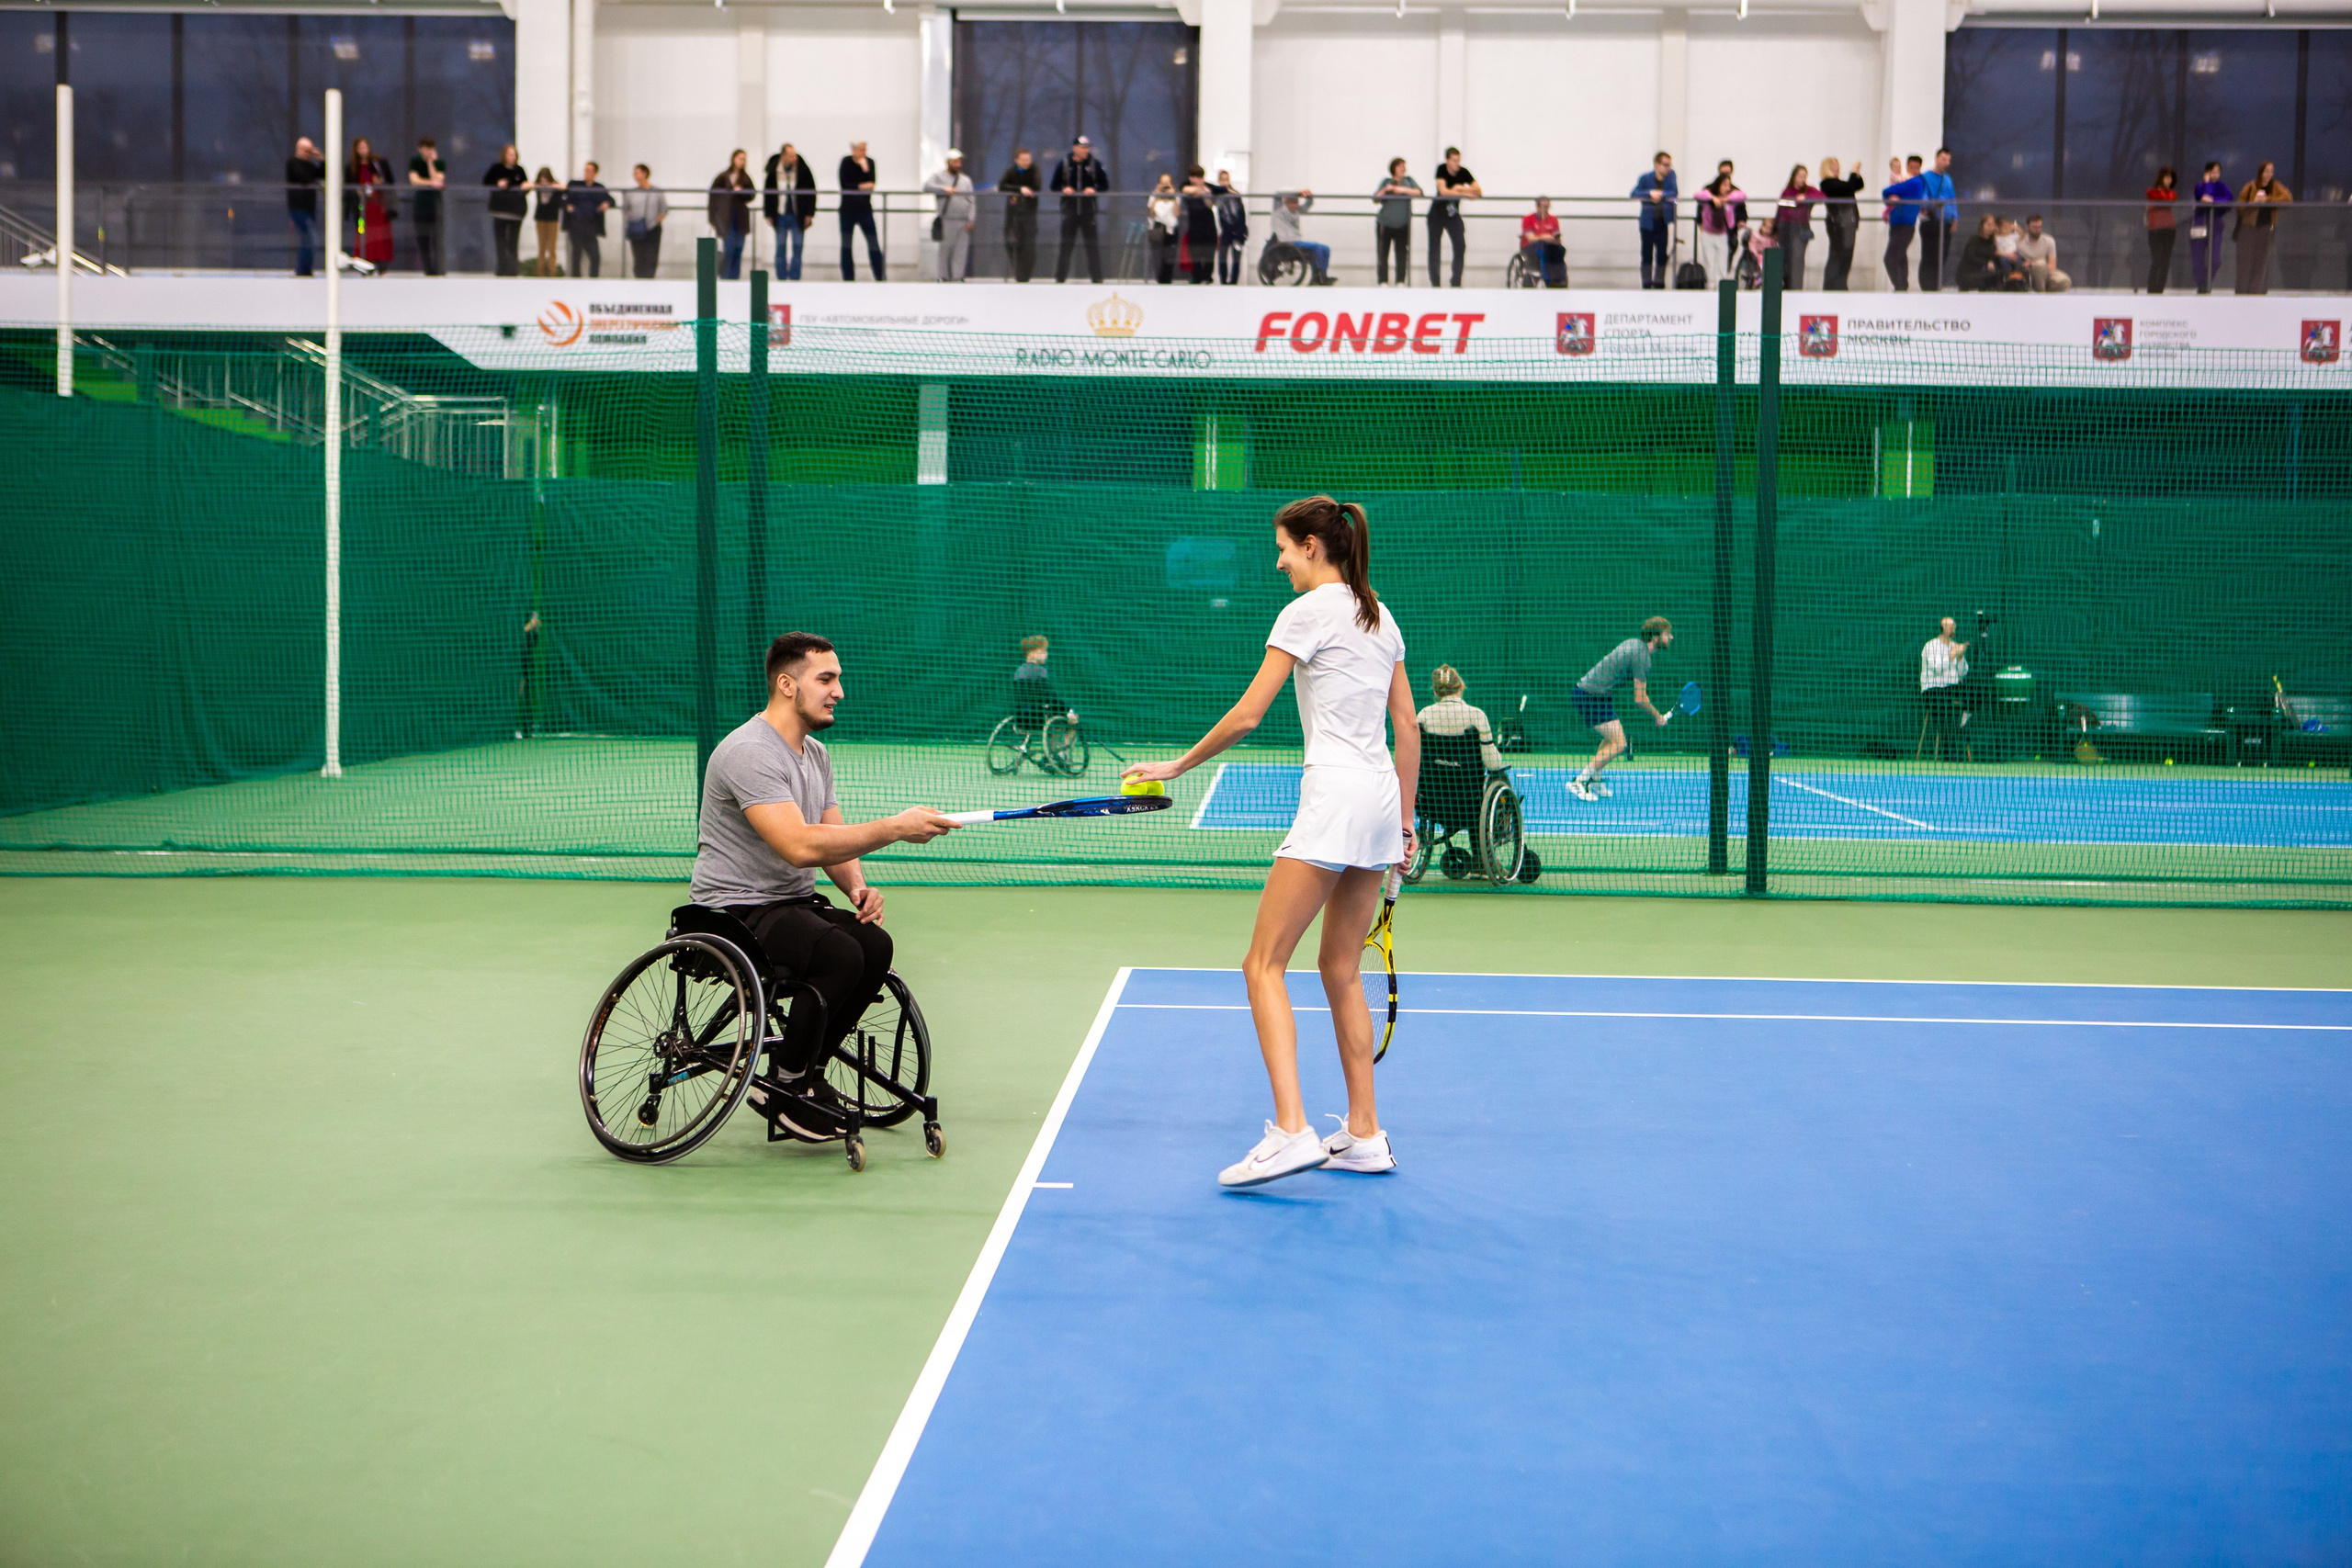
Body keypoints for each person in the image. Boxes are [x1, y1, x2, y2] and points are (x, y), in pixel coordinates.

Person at [1120, 497, 1415, 1190]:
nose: (1278, 560)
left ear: (1313, 545)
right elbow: (1408, 727)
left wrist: (1175, 766)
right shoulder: (1380, 613)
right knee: (1340, 968)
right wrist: (1403, 822)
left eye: (1283, 547)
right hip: (1377, 803)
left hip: (1336, 795)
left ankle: (1291, 1129)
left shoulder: (1307, 611)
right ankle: (1365, 1132)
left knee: (1262, 963)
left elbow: (1251, 713)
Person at [689, 631, 960, 1140]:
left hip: (789, 903)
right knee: (840, 956)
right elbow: (799, 846)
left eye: (838, 679)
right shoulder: (748, 751)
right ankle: (785, 1084)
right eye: (827, 679)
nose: (838, 691)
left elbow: (831, 839)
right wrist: (896, 828)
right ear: (787, 684)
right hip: (731, 912)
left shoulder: (814, 754)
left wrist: (857, 887)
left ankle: (803, 1069)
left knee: (874, 945)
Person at [1566, 617, 1672, 801]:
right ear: (1655, 637)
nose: (1670, 637)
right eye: (1666, 634)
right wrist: (1658, 717)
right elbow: (1640, 699)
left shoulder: (1635, 645)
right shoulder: (1642, 657)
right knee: (1620, 743)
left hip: (1597, 695)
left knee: (1611, 738)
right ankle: (1580, 781)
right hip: (1590, 695)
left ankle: (1595, 780)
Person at [1416, 665, 1503, 773]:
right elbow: (1493, 764)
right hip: (1470, 787)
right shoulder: (1477, 715)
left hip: (1430, 787)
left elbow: (1414, 759)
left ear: (1435, 691)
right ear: (1461, 686)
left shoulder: (1424, 715)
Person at [1051, 135, 1110, 284]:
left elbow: (1104, 186)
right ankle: (1060, 278)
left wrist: (1093, 189)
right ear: (1074, 148)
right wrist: (1064, 189)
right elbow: (1054, 186)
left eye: (1087, 148)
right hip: (1069, 211)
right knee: (1066, 245)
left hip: (1088, 211)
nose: (1085, 150)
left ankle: (1097, 279)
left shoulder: (1094, 164)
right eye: (1082, 147)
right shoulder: (1064, 164)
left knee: (1092, 246)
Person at [2234, 161, 2291, 295]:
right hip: (2248, 228)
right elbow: (2239, 207)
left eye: (2271, 171)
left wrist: (2268, 200)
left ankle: (2256, 292)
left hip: (2266, 228)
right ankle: (2242, 293)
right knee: (2245, 262)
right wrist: (2254, 202)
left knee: (2261, 262)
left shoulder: (2276, 187)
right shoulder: (2250, 186)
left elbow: (2288, 199)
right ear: (2260, 172)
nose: (2268, 174)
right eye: (2266, 171)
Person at [1917, 616, 1970, 761]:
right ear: (1941, 628)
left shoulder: (1954, 645)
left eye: (1954, 625)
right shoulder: (1931, 646)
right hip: (1933, 689)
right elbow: (1937, 668)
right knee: (1947, 708)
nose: (1952, 628)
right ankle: (1949, 752)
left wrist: (1960, 657)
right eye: (1948, 626)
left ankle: (1965, 719)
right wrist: (1953, 655)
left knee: (1973, 696)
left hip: (1951, 688)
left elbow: (1963, 672)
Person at [762, 143, 817, 282]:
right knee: (780, 247)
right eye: (791, 155)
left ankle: (794, 277)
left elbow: (811, 193)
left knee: (797, 247)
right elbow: (768, 193)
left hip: (798, 215)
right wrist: (768, 213)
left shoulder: (803, 170)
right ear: (783, 156)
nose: (794, 158)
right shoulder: (774, 171)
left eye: (794, 155)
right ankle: (781, 277)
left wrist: (809, 214)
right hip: (780, 215)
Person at [1428, 147, 1479, 287]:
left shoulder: (1463, 172)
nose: (1457, 164)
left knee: (1460, 245)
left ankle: (1456, 281)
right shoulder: (1441, 169)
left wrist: (1460, 188)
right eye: (1454, 161)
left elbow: (1478, 190)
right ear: (1447, 161)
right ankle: (1435, 283)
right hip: (1436, 214)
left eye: (1458, 160)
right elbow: (1443, 191)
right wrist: (1464, 192)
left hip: (1453, 215)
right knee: (1434, 248)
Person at [924, 149, 977, 282]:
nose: (958, 164)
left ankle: (957, 277)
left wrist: (971, 218)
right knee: (945, 249)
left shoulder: (965, 180)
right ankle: (943, 276)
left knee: (961, 251)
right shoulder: (938, 177)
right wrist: (943, 189)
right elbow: (926, 187)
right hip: (947, 219)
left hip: (963, 220)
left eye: (959, 161)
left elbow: (972, 200)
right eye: (955, 162)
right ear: (948, 163)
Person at [345, 137, 395, 270]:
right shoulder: (352, 168)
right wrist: (356, 192)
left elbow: (390, 182)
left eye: (365, 147)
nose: (363, 150)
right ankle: (363, 262)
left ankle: (382, 264)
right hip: (362, 208)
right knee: (363, 232)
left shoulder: (378, 163)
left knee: (380, 234)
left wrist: (380, 183)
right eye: (360, 148)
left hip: (378, 206)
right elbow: (348, 188)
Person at [839, 141, 885, 281]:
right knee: (846, 244)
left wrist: (865, 169)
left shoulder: (869, 162)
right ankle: (848, 277)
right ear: (854, 150)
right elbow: (845, 184)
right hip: (847, 210)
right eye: (860, 150)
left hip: (865, 209)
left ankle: (880, 276)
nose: (863, 153)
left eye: (865, 149)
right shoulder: (846, 162)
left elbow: (871, 184)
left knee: (873, 243)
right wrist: (860, 186)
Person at [1632, 152, 1678, 289]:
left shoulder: (1671, 176)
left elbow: (1674, 192)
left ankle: (1659, 281)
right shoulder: (1646, 178)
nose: (1667, 168)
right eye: (1665, 165)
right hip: (1648, 222)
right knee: (1647, 253)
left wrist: (1661, 194)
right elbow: (1634, 193)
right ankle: (1646, 282)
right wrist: (1650, 193)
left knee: (1662, 254)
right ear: (1657, 165)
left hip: (1662, 221)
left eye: (1669, 165)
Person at [1882, 154, 1927, 292]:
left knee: (1890, 258)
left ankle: (1900, 286)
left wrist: (1894, 193)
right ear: (1907, 167)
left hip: (1905, 225)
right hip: (1896, 223)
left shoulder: (1916, 182)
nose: (1913, 170)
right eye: (1911, 167)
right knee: (1900, 257)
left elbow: (1887, 191)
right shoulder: (1907, 181)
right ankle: (1902, 286)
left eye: (1916, 168)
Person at [1817, 156, 1863, 290]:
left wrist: (1856, 174)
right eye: (1833, 166)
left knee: (1847, 256)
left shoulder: (1839, 183)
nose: (1836, 168)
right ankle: (1832, 286)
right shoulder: (1827, 184)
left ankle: (1841, 284)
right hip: (1838, 225)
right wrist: (1853, 172)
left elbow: (1858, 185)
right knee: (1838, 255)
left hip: (1848, 224)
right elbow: (1850, 186)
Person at [708, 149, 754, 280]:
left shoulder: (745, 178)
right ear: (733, 159)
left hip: (740, 219)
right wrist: (712, 219)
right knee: (728, 250)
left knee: (739, 249)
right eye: (740, 158)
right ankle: (726, 276)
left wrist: (741, 191)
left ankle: (735, 277)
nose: (742, 161)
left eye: (744, 159)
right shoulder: (722, 177)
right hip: (726, 219)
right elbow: (713, 198)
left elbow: (752, 194)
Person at [1775, 164, 1823, 288]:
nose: (1802, 179)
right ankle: (1784, 287)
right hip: (1785, 227)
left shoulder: (1808, 190)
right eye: (1800, 176)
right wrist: (1775, 229)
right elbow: (1780, 210)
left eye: (1804, 176)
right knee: (1785, 258)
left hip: (1800, 228)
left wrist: (1806, 198)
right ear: (1794, 177)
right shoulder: (1787, 191)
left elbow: (1822, 197)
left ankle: (1796, 289)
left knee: (1797, 258)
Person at [483, 144, 527, 276]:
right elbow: (486, 181)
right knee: (500, 241)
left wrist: (526, 186)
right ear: (504, 155)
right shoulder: (496, 168)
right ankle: (501, 270)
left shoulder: (519, 170)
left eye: (514, 154)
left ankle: (513, 271)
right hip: (500, 211)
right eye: (509, 154)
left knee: (513, 242)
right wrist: (498, 184)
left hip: (515, 212)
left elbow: (525, 185)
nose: (512, 157)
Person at [1374, 158, 1419, 287]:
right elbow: (1376, 198)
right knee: (1383, 254)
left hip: (1403, 224)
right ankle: (1383, 281)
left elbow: (1419, 192)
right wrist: (1386, 190)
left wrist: (1401, 190)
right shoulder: (1386, 181)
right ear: (1393, 168)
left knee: (1401, 254)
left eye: (1403, 166)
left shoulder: (1409, 181)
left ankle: (1400, 280)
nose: (1402, 169)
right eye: (1400, 166)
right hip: (1385, 223)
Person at [562, 162, 613, 278]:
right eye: (586, 170)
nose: (587, 173)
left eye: (590, 171)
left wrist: (606, 203)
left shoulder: (599, 188)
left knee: (595, 256)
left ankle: (593, 280)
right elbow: (563, 197)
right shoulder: (575, 185)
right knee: (576, 255)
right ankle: (576, 279)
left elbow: (611, 199)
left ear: (595, 173)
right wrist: (568, 205)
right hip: (576, 224)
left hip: (590, 225)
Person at [1270, 189, 1330, 284]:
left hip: (1296, 240)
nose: (1295, 205)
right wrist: (1296, 193)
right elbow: (1277, 195)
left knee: (1326, 248)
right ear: (1286, 203)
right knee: (1316, 247)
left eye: (1297, 203)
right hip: (1286, 241)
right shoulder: (1279, 210)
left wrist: (1309, 197)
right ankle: (1316, 276)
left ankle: (1322, 275)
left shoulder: (1297, 210)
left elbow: (1307, 205)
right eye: (1292, 203)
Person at [1917, 147, 1958, 291]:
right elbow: (1923, 197)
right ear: (1936, 159)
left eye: (1948, 160)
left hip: (1946, 224)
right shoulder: (1925, 177)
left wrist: (1955, 218)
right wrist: (1932, 205)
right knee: (1929, 256)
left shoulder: (1948, 179)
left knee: (1942, 257)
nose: (1946, 163)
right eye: (1943, 159)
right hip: (1931, 222)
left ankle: (1935, 286)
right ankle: (1926, 287)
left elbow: (1952, 199)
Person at [999, 148, 1041, 282]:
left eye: (1028, 159)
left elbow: (1037, 186)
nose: (1026, 162)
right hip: (1013, 215)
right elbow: (1002, 186)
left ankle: (1026, 276)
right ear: (1017, 160)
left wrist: (1027, 190)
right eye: (1023, 160)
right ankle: (1017, 274)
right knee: (1011, 243)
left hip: (1029, 214)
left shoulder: (1034, 170)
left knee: (1029, 246)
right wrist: (1019, 189)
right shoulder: (1010, 171)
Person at [406, 135, 447, 276]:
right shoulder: (415, 161)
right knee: (423, 239)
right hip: (421, 204)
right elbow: (414, 180)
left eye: (430, 148)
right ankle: (428, 269)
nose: (428, 151)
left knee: (437, 238)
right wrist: (431, 183)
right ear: (420, 149)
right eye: (425, 148)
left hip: (435, 205)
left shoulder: (439, 163)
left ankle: (439, 269)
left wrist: (431, 163)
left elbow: (438, 179)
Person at [1697, 170, 1745, 285]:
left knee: (1722, 263)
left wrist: (1726, 199)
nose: (1727, 188)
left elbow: (1742, 195)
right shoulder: (1707, 198)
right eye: (1724, 185)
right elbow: (1698, 194)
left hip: (1722, 234)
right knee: (1709, 262)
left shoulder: (1730, 199)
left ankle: (1721, 285)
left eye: (1728, 185)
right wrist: (1713, 198)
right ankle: (1710, 284)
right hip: (1708, 234)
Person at [286, 136, 325, 276]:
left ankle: (306, 269)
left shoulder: (310, 165)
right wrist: (317, 184)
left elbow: (323, 174)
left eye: (310, 151)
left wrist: (320, 159)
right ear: (299, 150)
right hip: (298, 207)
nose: (309, 154)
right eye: (307, 151)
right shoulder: (293, 163)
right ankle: (302, 270)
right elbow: (303, 178)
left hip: (309, 207)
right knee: (309, 237)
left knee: (307, 239)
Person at [2190, 161, 2230, 294]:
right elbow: (2202, 198)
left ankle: (2207, 282)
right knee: (2198, 258)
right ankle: (2201, 284)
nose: (2216, 174)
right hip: (2200, 224)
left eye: (2218, 172)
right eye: (2213, 171)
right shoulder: (2200, 186)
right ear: (2207, 173)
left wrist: (2214, 201)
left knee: (2216, 260)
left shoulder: (2222, 187)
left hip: (2215, 225)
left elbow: (2228, 201)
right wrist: (2207, 184)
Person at [622, 164, 667, 279]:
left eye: (637, 172)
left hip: (652, 228)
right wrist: (631, 220)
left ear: (645, 173)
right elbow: (626, 209)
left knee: (651, 256)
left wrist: (657, 221)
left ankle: (649, 278)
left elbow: (663, 209)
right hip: (636, 228)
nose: (635, 175)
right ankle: (639, 279)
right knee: (638, 256)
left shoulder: (656, 192)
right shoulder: (631, 193)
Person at [1955, 213, 2021, 291]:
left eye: (1992, 225)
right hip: (1968, 273)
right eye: (1988, 225)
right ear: (1982, 225)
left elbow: (1996, 254)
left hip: (1984, 272)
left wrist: (2007, 256)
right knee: (1994, 277)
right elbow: (1970, 257)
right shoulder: (1975, 239)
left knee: (2000, 275)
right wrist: (1986, 263)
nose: (1990, 227)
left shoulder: (1992, 241)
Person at [1011, 634, 1063, 728]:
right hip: (1039, 718)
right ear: (1032, 653)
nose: (1046, 654)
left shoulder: (1019, 671)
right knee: (1070, 717)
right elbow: (1048, 696)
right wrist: (1068, 711)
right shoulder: (1040, 671)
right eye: (1043, 651)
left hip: (1020, 718)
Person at [1182, 164, 1219, 284]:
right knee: (1195, 251)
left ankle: (1207, 276)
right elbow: (1185, 189)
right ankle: (1197, 276)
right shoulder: (1185, 185)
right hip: (1194, 224)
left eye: (1198, 177)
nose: (1195, 179)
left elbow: (1210, 204)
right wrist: (1201, 189)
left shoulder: (1210, 187)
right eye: (1193, 177)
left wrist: (1204, 193)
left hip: (1208, 224)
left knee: (1209, 251)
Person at [2143, 167, 2178, 294]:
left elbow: (2171, 199)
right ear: (2161, 178)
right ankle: (2152, 288)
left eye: (2171, 178)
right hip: (2155, 229)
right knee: (2157, 258)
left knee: (2165, 260)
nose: (2169, 180)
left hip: (2169, 229)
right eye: (2167, 177)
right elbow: (2158, 199)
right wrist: (2165, 198)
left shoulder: (2172, 193)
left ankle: (2160, 289)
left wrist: (2166, 198)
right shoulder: (2151, 192)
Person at [1520, 196, 1566, 287]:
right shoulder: (1528, 219)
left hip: (1550, 245)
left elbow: (1558, 238)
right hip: (1531, 247)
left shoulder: (1553, 219)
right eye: (1544, 206)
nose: (1546, 209)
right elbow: (1531, 239)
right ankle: (1548, 277)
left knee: (1560, 249)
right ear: (1537, 207)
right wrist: (1543, 237)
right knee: (1543, 249)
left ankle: (1559, 277)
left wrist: (1554, 239)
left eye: (1548, 207)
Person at [2017, 213, 2069, 291]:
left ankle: (2043, 291)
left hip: (2044, 271)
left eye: (2039, 227)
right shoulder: (2019, 241)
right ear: (2027, 227)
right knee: (2038, 266)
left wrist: (2038, 267)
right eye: (2034, 227)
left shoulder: (2049, 241)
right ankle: (2041, 294)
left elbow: (2052, 265)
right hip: (2025, 272)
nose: (2037, 230)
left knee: (2064, 281)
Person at [1213, 170, 1248, 286]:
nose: (1225, 182)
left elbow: (1242, 214)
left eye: (1226, 179)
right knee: (1222, 256)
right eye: (1222, 180)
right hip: (1225, 231)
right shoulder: (1218, 194)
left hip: (1238, 230)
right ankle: (1223, 280)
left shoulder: (1235, 194)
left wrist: (1241, 232)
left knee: (1236, 257)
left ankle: (1233, 281)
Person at [1147, 172, 1181, 284]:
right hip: (1158, 227)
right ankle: (1159, 280)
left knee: (1170, 256)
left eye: (1167, 184)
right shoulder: (1154, 196)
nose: (1165, 187)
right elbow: (1150, 214)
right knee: (1157, 256)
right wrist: (1157, 195)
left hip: (1171, 229)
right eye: (1163, 184)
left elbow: (1177, 213)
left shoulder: (1175, 196)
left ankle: (1167, 280)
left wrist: (1173, 195)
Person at [531, 165, 564, 276]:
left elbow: (564, 187)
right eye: (542, 181)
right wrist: (538, 184)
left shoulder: (555, 189)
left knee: (552, 248)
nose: (544, 183)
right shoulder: (538, 188)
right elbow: (528, 185)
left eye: (545, 181)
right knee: (542, 247)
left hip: (552, 219)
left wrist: (552, 186)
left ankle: (552, 272)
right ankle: (539, 272)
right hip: (541, 219)